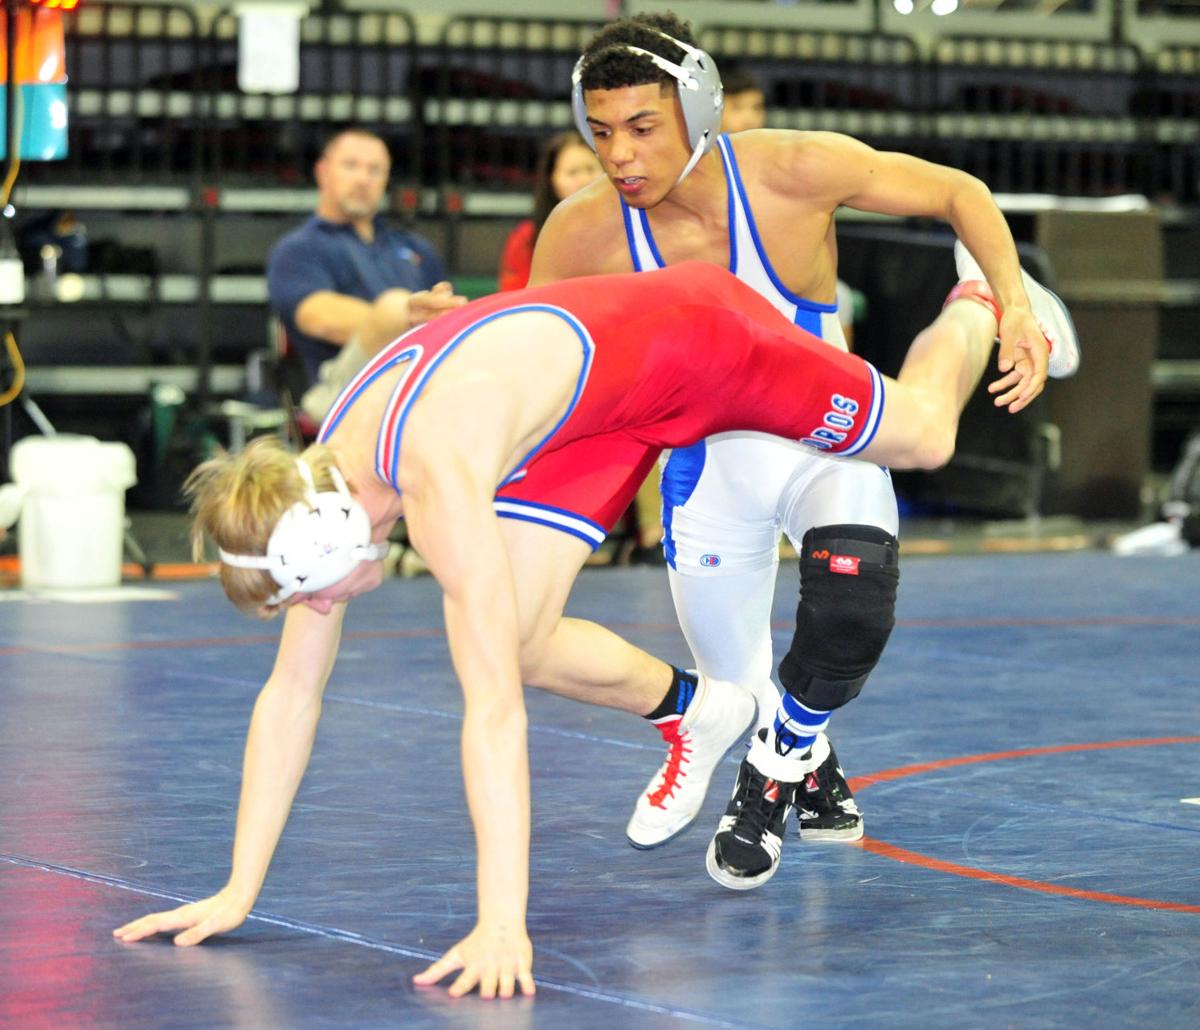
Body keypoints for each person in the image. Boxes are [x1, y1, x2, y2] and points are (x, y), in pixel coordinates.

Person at [110, 260, 1076, 999]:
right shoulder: (318, 479)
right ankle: (697, 712)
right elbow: (290, 693)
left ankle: (980, 299)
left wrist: (502, 924)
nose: (321, 613)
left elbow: (491, 714)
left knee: (924, 433)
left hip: (696, 344)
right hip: (588, 418)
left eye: (313, 596)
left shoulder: (434, 478)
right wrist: (238, 890)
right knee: (519, 635)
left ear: (330, 538)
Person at [531, 13, 1080, 889]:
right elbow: (540, 356)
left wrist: (1016, 302)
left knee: (854, 604)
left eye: (642, 127)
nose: (620, 156)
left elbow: (961, 191)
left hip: (828, 438)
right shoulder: (580, 231)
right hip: (707, 471)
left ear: (698, 108)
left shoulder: (790, 169)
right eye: (600, 132)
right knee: (742, 691)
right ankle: (811, 766)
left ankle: (771, 777)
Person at [266, 127, 466, 420]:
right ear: (323, 172)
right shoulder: (298, 248)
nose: (363, 179)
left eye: (374, 170)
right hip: (342, 387)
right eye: (351, 166)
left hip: (422, 375)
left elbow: (452, 310)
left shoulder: (413, 246)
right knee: (393, 306)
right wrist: (403, 319)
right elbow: (321, 319)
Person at [497, 130, 601, 292]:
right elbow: (516, 297)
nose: (584, 180)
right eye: (572, 172)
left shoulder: (626, 228)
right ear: (551, 180)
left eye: (590, 169)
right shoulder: (526, 238)